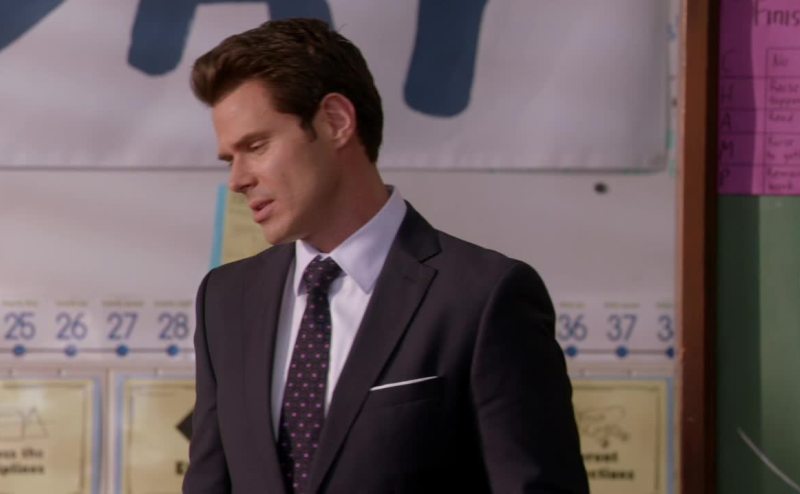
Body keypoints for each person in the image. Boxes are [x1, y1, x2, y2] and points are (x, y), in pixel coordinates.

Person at [183, 18, 588, 494]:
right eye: (229, 159)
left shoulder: (483, 298)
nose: (238, 179)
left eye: (255, 146)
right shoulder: (226, 299)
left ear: (336, 121)